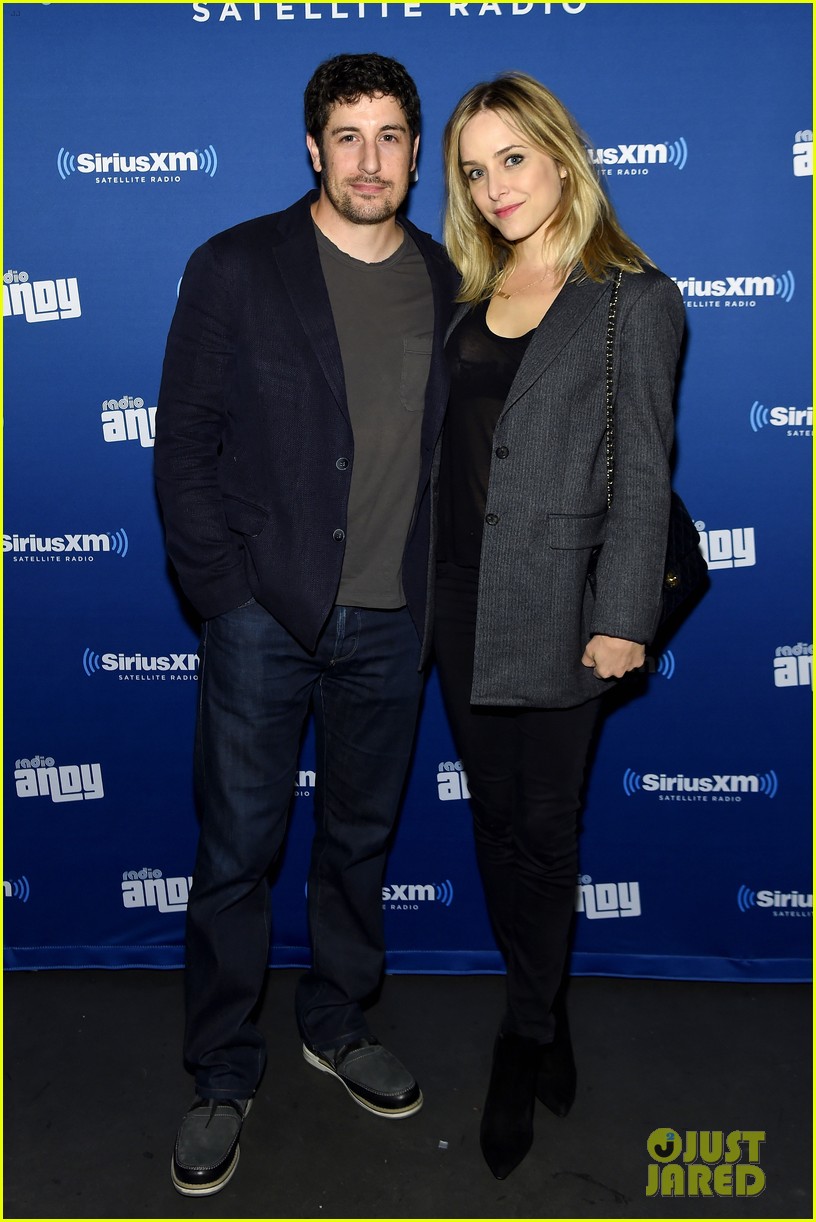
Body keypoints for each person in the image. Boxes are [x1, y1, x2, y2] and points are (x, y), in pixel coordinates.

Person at [154, 52, 456, 1197]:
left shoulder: (445, 276)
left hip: (393, 623)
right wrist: (227, 596)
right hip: (262, 618)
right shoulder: (236, 266)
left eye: (390, 136)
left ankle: (337, 1020)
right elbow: (181, 446)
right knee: (235, 855)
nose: (369, 158)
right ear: (312, 148)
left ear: (417, 154)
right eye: (348, 135)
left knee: (358, 844)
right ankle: (223, 1072)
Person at [433, 72, 684, 1180]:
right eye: (474, 170)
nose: (494, 187)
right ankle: (546, 1003)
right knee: (496, 829)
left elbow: (643, 477)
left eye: (512, 159)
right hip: (456, 605)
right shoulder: (462, 295)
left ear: (562, 154)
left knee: (547, 835)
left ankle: (523, 1033)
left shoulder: (632, 297)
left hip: (565, 612)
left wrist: (624, 615)